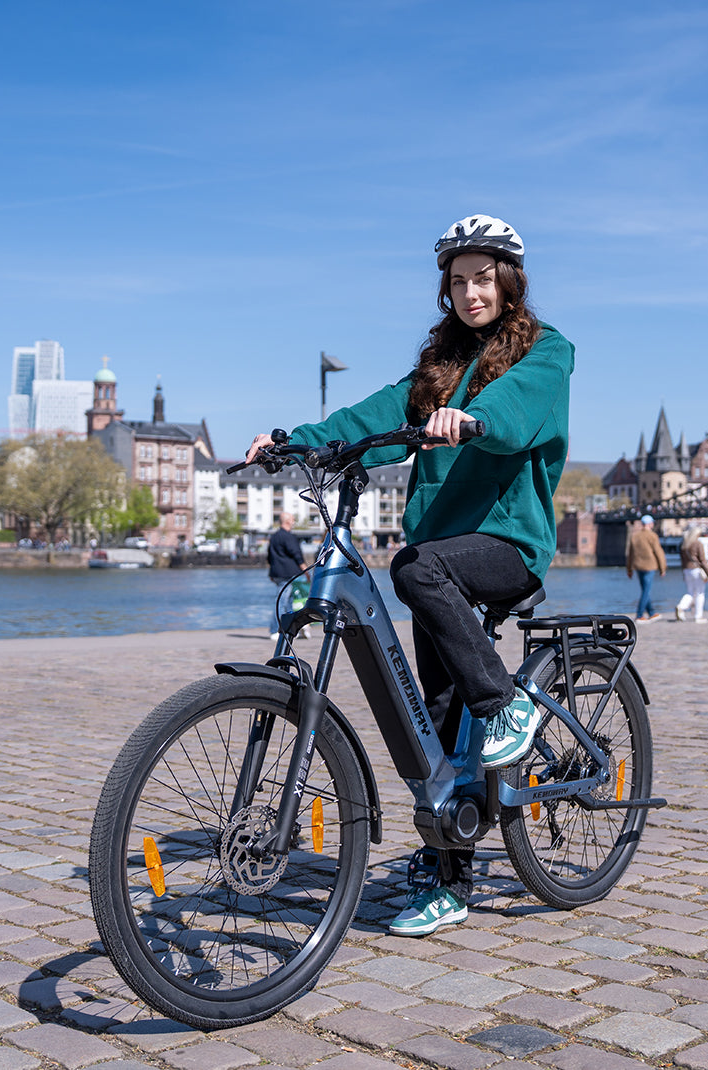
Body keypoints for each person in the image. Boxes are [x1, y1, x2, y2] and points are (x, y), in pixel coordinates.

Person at [246, 213, 574, 936]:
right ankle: (450, 879)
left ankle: (506, 706)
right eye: (457, 282)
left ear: (509, 282)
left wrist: (471, 419)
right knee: (437, 713)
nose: (470, 293)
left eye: (483, 279)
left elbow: (517, 409)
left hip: (507, 544)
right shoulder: (439, 367)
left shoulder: (547, 352)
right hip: (440, 557)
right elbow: (373, 414)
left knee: (413, 569)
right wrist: (293, 441)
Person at [267, 513, 308, 640]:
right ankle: (276, 629)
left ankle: (289, 629)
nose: (294, 522)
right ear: (288, 521)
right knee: (282, 601)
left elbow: (270, 556)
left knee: (289, 601)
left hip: (277, 573)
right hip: (288, 572)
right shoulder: (289, 537)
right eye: (293, 519)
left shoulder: (274, 537)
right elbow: (296, 554)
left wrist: (271, 572)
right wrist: (305, 570)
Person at [626, 515, 666, 622]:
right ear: (649, 524)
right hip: (650, 566)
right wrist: (662, 568)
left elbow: (630, 554)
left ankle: (652, 613)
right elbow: (658, 552)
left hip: (638, 566)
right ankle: (639, 615)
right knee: (646, 591)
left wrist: (629, 569)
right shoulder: (652, 536)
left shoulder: (635, 536)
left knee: (645, 589)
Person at [675, 525, 708, 623]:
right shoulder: (698, 544)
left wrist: (683, 572)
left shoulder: (684, 545)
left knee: (690, 592)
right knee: (700, 593)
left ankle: (681, 606)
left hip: (686, 570)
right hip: (696, 570)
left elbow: (682, 560)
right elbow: (702, 560)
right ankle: (698, 616)